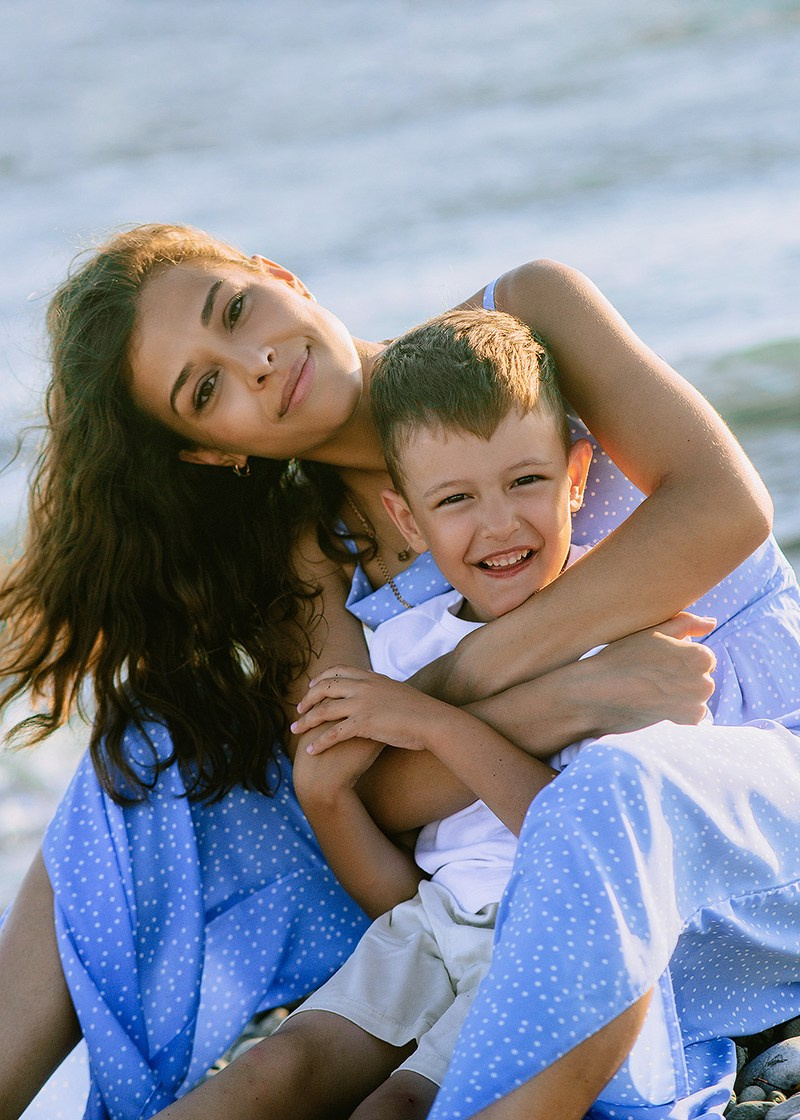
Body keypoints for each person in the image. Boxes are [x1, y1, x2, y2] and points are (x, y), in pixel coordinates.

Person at [0, 222, 798, 1120]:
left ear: (280, 275)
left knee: (614, 783)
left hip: (753, 790)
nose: (255, 361)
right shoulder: (317, 551)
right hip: (515, 860)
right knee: (142, 761)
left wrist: (455, 681)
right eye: (207, 388)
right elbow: (376, 792)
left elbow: (723, 507)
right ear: (212, 451)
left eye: (234, 310)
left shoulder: (520, 326)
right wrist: (572, 695)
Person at [146, 307, 599, 1119]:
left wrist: (436, 725)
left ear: (576, 475)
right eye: (455, 498)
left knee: (393, 1105)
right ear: (406, 520)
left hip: (555, 929)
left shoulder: (610, 631)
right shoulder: (399, 652)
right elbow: (395, 885)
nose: (498, 523)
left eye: (526, 481)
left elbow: (596, 845)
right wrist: (332, 793)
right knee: (273, 1073)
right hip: (428, 926)